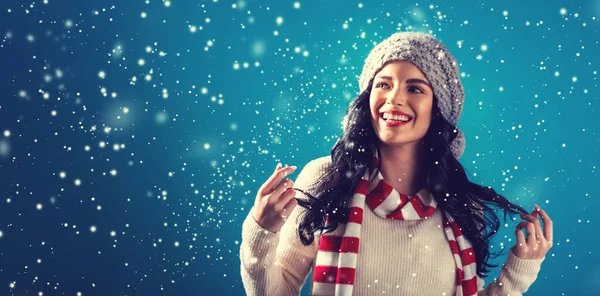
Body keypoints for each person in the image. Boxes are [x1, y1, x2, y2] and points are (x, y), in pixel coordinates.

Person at [240, 32, 553, 296]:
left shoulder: (455, 204)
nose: (393, 99)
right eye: (383, 84)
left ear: (438, 108)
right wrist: (261, 231)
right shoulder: (328, 179)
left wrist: (520, 270)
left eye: (415, 88)